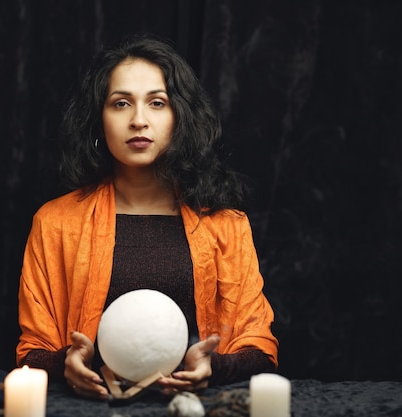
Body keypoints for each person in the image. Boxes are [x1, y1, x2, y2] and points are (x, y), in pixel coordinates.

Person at [16, 33, 278, 401]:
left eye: (157, 103)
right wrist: (65, 364)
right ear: (99, 120)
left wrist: (213, 368)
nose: (139, 120)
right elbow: (32, 348)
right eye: (121, 103)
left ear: (180, 116)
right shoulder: (56, 222)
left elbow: (260, 348)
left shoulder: (227, 225)